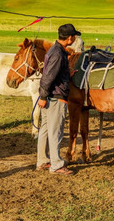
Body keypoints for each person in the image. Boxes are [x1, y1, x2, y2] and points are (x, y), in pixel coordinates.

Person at [36, 23, 81, 175]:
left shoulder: (55, 50)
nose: (74, 38)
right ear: (69, 38)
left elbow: (52, 73)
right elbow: (48, 77)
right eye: (74, 35)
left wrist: (67, 74)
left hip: (49, 95)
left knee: (46, 129)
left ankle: (42, 161)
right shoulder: (58, 53)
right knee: (55, 131)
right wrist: (43, 96)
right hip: (55, 97)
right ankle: (56, 165)